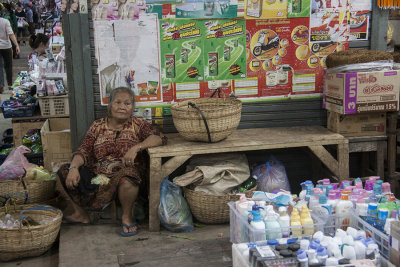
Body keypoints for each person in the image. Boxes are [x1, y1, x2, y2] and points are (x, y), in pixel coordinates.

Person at [56, 87, 167, 236]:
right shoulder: (98, 126)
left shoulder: (137, 124)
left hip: (125, 174)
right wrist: (74, 167)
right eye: (118, 102)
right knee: (64, 170)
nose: (122, 107)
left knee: (129, 176)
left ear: (132, 107)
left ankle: (126, 217)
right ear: (110, 105)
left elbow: (159, 137)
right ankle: (80, 214)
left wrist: (137, 147)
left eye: (127, 103)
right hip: (99, 178)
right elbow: (83, 150)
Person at [0, 13, 20, 93]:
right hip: (6, 46)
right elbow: (11, 34)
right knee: (8, 65)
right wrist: (17, 45)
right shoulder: (5, 21)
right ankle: (9, 84)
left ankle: (1, 84)